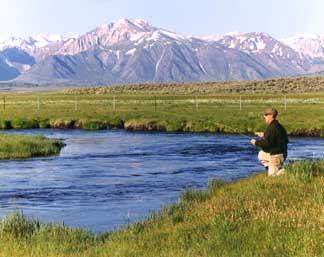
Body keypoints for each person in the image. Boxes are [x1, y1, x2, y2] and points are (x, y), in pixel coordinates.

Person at [250, 107, 289, 176]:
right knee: (261, 154)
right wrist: (264, 135)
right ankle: (273, 168)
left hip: (277, 155)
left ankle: (287, 171)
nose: (264, 116)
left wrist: (255, 142)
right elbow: (276, 138)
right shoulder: (276, 126)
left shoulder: (272, 128)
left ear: (271, 115)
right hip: (280, 152)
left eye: (266, 115)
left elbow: (267, 144)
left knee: (272, 176)